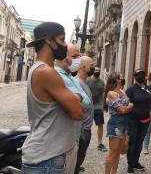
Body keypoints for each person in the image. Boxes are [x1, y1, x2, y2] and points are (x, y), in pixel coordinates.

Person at [21, 22, 84, 173]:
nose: (64, 45)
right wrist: (77, 97)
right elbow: (78, 113)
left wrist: (74, 97)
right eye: (62, 40)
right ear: (49, 40)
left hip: (44, 157)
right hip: (47, 159)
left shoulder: (39, 69)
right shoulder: (47, 72)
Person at [55, 43, 92, 174]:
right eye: (75, 56)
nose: (79, 59)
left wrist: (79, 97)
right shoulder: (58, 76)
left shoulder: (71, 77)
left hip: (72, 138)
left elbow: (86, 102)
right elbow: (82, 103)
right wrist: (79, 97)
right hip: (61, 143)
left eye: (79, 55)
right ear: (62, 57)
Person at [125, 69, 151, 173]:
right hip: (133, 120)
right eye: (138, 75)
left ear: (145, 76)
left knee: (139, 142)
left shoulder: (149, 89)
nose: (140, 76)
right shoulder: (130, 90)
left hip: (145, 120)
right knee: (132, 142)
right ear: (134, 76)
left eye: (142, 74)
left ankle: (136, 162)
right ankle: (130, 164)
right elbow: (125, 103)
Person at [104, 73, 133, 174]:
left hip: (124, 123)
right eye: (120, 77)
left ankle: (114, 172)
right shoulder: (111, 93)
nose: (122, 78)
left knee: (119, 152)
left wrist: (127, 107)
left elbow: (127, 107)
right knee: (113, 152)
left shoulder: (121, 92)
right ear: (116, 80)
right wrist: (129, 107)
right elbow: (122, 110)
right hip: (115, 124)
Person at [74, 55, 95, 174]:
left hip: (86, 129)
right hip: (81, 130)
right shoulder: (77, 83)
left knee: (79, 160)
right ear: (82, 67)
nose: (93, 68)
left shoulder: (85, 83)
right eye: (91, 65)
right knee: (75, 162)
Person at [87, 65, 108, 152]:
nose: (97, 71)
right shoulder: (88, 81)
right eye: (95, 70)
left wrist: (104, 105)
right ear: (93, 71)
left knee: (100, 125)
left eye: (98, 70)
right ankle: (85, 142)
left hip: (98, 106)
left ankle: (99, 143)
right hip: (89, 106)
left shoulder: (102, 82)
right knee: (87, 125)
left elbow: (103, 93)